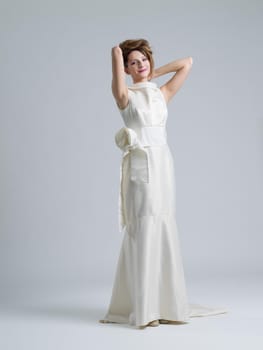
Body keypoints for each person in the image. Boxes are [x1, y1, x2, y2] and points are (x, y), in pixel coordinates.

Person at [100, 38, 227, 329]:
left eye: (143, 59)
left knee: (163, 224)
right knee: (144, 227)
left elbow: (187, 62)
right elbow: (116, 60)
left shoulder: (161, 93)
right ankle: (145, 309)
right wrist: (119, 54)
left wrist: (154, 73)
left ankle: (165, 303)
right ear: (127, 69)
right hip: (140, 168)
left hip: (163, 166)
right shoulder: (124, 95)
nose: (139, 65)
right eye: (133, 62)